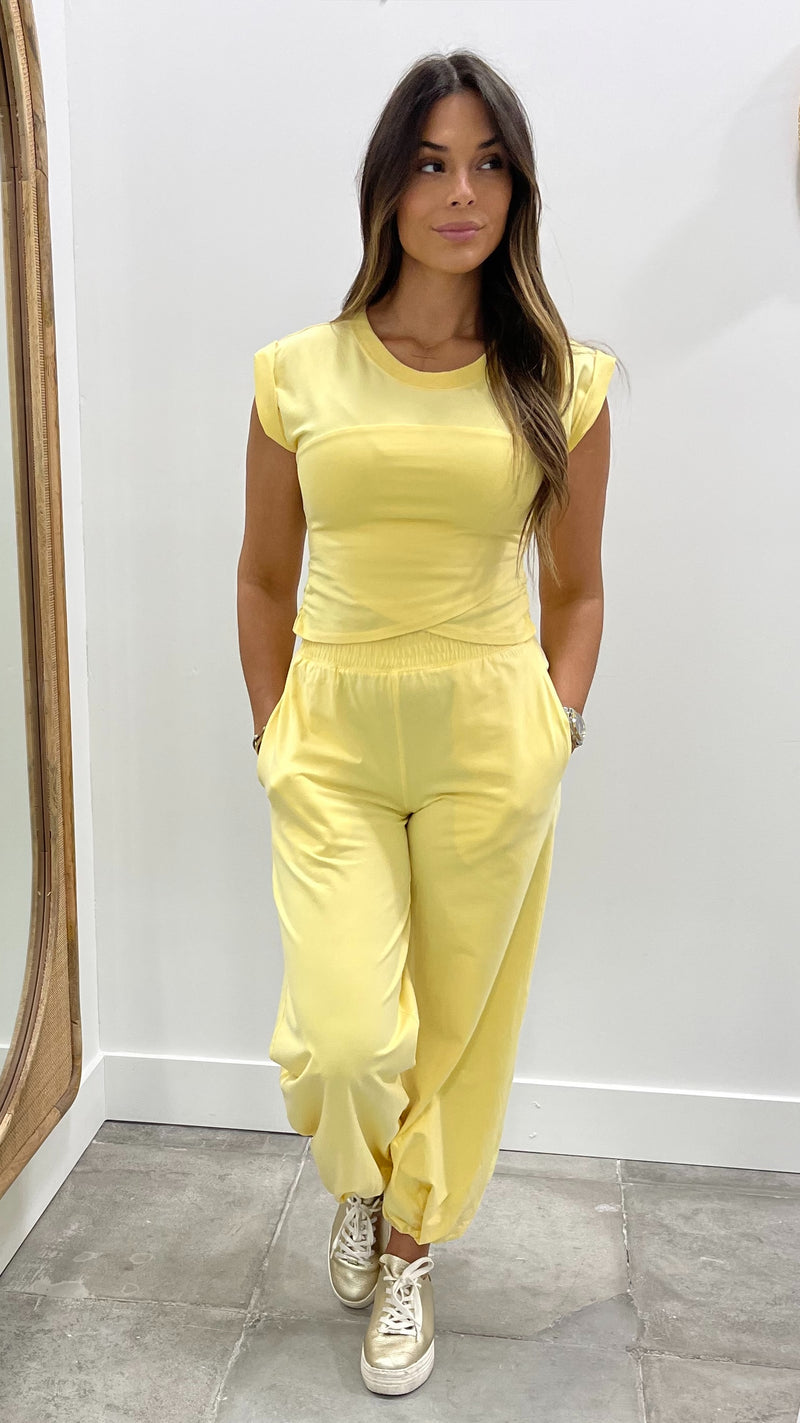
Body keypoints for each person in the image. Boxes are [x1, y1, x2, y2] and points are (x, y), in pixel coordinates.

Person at [237, 49, 617, 1398]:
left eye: (489, 164)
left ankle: (408, 1250)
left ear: (517, 190)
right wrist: (276, 731)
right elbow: (263, 578)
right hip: (333, 731)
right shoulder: (299, 373)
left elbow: (576, 586)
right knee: (345, 1036)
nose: (462, 192)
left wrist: (555, 721)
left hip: (487, 737)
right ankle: (362, 1177)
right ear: (387, 187)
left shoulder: (558, 380)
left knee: (455, 1026)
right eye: (433, 163)